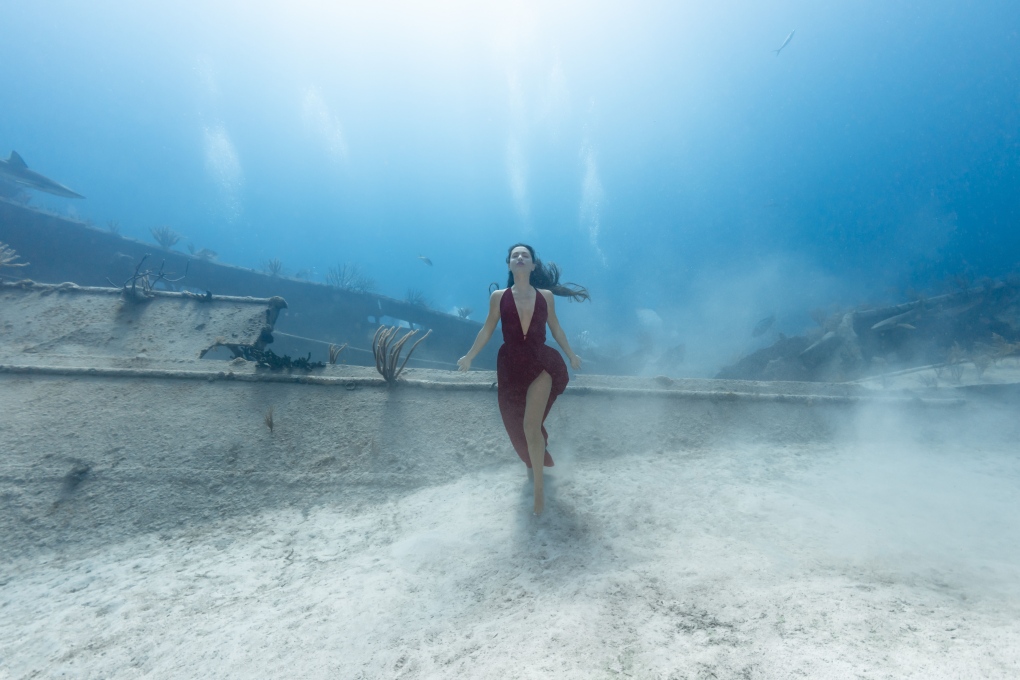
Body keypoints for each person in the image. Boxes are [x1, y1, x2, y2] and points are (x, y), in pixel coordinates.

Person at [458, 244, 589, 515]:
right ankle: (533, 468)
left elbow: (556, 328)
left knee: (530, 425)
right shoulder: (498, 297)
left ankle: (538, 495)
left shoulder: (546, 296)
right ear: (509, 264)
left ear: (532, 265)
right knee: (517, 425)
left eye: (525, 255)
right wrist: (469, 356)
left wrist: (571, 354)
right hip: (510, 365)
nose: (519, 258)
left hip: (541, 362)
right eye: (515, 255)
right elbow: (486, 329)